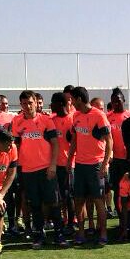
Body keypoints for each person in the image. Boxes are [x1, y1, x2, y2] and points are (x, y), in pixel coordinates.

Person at [11, 90, 64, 248]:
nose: (28, 106)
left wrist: (53, 165)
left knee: (54, 202)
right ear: (20, 105)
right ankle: (39, 235)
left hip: (46, 168)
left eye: (30, 103)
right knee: (35, 204)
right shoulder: (17, 122)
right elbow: (15, 145)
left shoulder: (46, 120)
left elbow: (55, 143)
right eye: (24, 103)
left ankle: (59, 234)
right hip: (27, 170)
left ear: (36, 102)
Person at [68, 86, 113, 245]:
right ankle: (81, 233)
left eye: (72, 99)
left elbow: (109, 141)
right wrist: (69, 160)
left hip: (96, 165)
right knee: (78, 200)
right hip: (79, 165)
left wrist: (104, 164)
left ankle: (103, 233)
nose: (71, 102)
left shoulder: (99, 115)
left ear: (79, 99)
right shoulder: (76, 116)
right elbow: (74, 140)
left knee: (98, 200)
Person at [50, 92, 77, 234]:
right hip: (54, 165)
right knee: (57, 195)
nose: (50, 105)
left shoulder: (73, 119)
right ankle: (60, 222)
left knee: (68, 195)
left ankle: (71, 223)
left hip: (69, 164)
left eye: (52, 103)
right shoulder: (51, 120)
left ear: (60, 104)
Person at [107, 88, 130, 217]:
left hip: (129, 160)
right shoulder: (107, 117)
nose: (116, 104)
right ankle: (121, 217)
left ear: (123, 100)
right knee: (117, 189)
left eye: (118, 101)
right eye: (113, 102)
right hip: (115, 161)